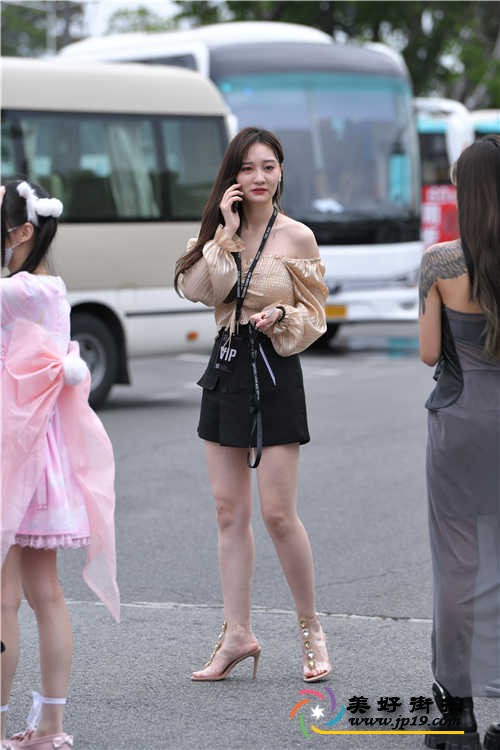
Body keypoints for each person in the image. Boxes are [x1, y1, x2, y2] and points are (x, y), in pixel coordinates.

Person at [175, 126, 331, 682]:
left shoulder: (298, 237)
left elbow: (316, 314)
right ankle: (237, 634)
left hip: (274, 367)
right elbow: (200, 290)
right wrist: (224, 232)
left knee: (277, 514)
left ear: (281, 171)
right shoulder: (222, 233)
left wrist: (282, 315)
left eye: (268, 166)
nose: (259, 177)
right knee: (228, 511)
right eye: (247, 168)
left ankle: (311, 629)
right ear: (232, 177)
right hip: (226, 366)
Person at [0, 180, 120, 750]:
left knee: (5, 596)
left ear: (22, 230)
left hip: (14, 454)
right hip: (39, 455)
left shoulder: (19, 291)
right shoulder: (49, 287)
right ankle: (50, 726)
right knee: (43, 592)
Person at [418, 135, 500, 750]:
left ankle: (458, 717)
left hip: (460, 419)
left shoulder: (441, 263)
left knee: (457, 564)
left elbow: (428, 354)